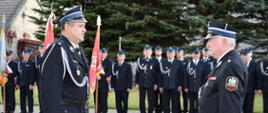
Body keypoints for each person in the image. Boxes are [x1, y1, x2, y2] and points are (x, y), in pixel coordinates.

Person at [39, 5, 89, 113]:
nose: (84, 30)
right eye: (80, 26)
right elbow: (49, 93)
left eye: (84, 26)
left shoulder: (77, 50)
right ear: (67, 26)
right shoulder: (57, 50)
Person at [199, 21, 248, 113]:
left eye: (211, 40)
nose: (207, 44)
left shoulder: (231, 65)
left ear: (224, 41)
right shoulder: (223, 62)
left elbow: (230, 107)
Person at [159, 47, 183, 113]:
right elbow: (160, 75)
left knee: (175, 104)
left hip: (175, 87)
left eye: (171, 53)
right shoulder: (163, 62)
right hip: (165, 86)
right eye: (168, 53)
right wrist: (160, 86)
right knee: (165, 104)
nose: (170, 54)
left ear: (174, 54)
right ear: (166, 54)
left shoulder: (178, 62)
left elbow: (181, 75)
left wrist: (180, 85)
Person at [135, 44, 158, 113]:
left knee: (151, 100)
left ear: (151, 52)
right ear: (143, 52)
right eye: (145, 51)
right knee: (141, 100)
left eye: (148, 51)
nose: (147, 52)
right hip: (142, 83)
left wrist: (156, 83)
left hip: (151, 83)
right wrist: (136, 82)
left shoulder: (155, 60)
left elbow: (157, 73)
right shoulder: (140, 60)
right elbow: (137, 72)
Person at [185, 49, 208, 113]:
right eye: (194, 54)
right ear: (192, 55)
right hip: (190, 87)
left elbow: (204, 77)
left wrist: (203, 87)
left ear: (199, 55)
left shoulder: (203, 64)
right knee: (191, 104)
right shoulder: (188, 64)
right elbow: (186, 76)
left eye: (197, 54)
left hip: (199, 88)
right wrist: (186, 86)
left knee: (199, 104)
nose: (195, 55)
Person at [240, 48, 259, 113]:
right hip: (241, 89)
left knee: (249, 106)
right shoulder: (240, 64)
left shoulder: (255, 64)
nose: (243, 56)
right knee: (241, 105)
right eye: (242, 55)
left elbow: (257, 77)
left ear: (250, 55)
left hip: (250, 89)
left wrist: (257, 88)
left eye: (245, 55)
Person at [94, 48, 112, 113]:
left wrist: (100, 77)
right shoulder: (96, 61)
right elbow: (92, 70)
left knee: (103, 101)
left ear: (106, 54)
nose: (103, 54)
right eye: (102, 52)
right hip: (96, 85)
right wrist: (95, 76)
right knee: (96, 101)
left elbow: (109, 72)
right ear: (99, 53)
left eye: (104, 53)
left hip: (104, 85)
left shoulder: (109, 62)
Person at [17, 48, 35, 113]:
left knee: (30, 99)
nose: (26, 55)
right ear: (23, 55)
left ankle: (30, 111)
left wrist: (31, 84)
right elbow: (19, 74)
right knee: (22, 99)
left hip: (28, 84)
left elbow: (32, 74)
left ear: (29, 55)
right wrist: (17, 83)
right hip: (21, 84)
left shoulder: (31, 63)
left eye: (27, 54)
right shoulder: (20, 63)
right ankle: (23, 111)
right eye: (24, 54)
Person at [176, 48, 189, 113]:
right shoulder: (175, 61)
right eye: (178, 52)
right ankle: (178, 110)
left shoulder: (187, 61)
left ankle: (185, 110)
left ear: (183, 53)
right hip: (177, 83)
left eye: (180, 52)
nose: (179, 54)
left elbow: (188, 73)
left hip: (185, 83)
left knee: (185, 98)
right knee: (176, 98)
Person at [35, 44, 45, 113]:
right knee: (40, 95)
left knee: (46, 95)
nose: (42, 50)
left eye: (43, 49)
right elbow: (37, 65)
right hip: (39, 79)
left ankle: (46, 109)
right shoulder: (37, 57)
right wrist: (42, 57)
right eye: (40, 49)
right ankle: (41, 109)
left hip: (46, 80)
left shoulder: (47, 56)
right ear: (39, 50)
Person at [154, 45, 163, 113]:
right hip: (154, 83)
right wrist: (155, 83)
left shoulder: (164, 60)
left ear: (161, 52)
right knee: (155, 98)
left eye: (159, 51)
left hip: (163, 83)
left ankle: (161, 110)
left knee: (163, 98)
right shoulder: (152, 60)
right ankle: (157, 110)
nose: (158, 52)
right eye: (156, 51)